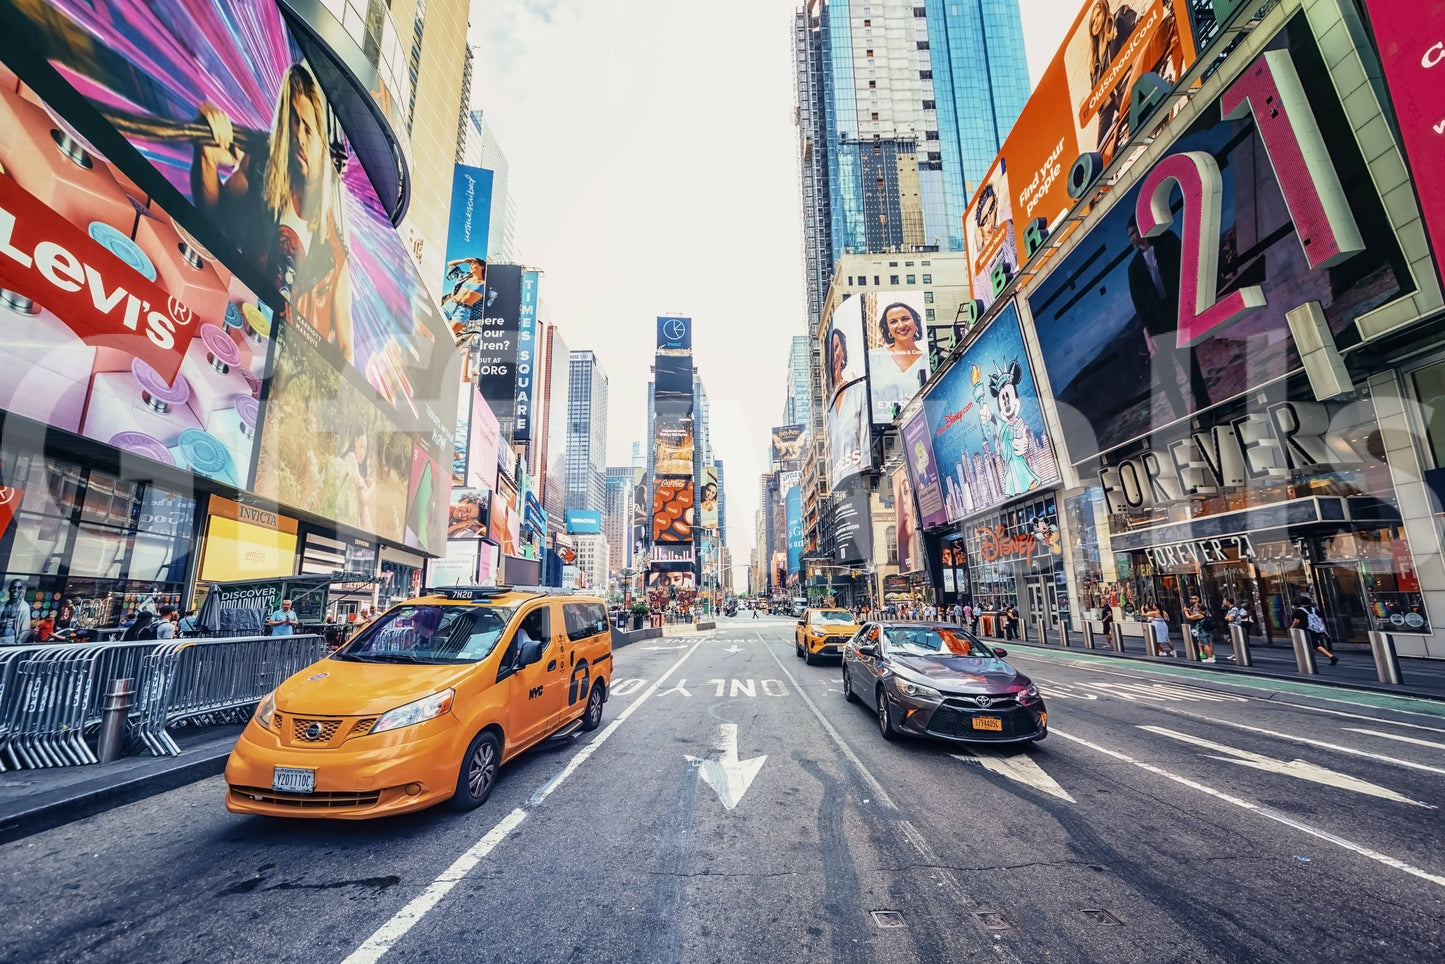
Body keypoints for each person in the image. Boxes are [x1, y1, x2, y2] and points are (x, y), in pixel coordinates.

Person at [194, 63, 353, 361]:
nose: (300, 138)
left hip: (287, 370)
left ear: (323, 146)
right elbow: (214, 216)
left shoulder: (335, 252)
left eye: (308, 129)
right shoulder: (259, 174)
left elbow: (345, 348)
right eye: (294, 124)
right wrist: (206, 158)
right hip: (236, 336)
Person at [1126, 216, 1209, 422]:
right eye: (1130, 236)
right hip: (1157, 329)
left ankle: (1208, 414)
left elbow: (1188, 265)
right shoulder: (1133, 269)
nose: (1132, 239)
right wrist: (1148, 338)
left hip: (1178, 317)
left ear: (1142, 228)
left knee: (1192, 368)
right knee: (1168, 379)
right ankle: (1183, 421)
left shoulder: (1167, 240)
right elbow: (1140, 308)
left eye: (1134, 233)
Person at [976, 360, 1042, 497]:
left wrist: (1022, 444)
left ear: (1017, 400)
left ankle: (1028, 484)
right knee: (1011, 477)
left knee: (1021, 470)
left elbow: (1023, 439)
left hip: (1018, 460)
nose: (1007, 406)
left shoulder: (1019, 423)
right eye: (1003, 401)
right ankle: (1012, 491)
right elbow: (992, 418)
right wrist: (985, 412)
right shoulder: (1003, 425)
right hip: (1009, 464)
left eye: (1009, 399)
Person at [825, 325, 871, 483]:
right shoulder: (830, 409)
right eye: (830, 354)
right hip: (840, 484)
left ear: (843, 350)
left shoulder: (859, 391)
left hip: (861, 480)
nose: (834, 357)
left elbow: (866, 443)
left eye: (836, 347)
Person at [868, 302, 929, 420]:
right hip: (884, 427)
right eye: (893, 322)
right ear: (887, 328)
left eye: (905, 319)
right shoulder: (873, 357)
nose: (901, 325)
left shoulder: (929, 360)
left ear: (916, 323)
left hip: (922, 423)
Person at [441, 257, 489, 340]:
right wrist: (463, 261)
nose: (470, 266)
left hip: (463, 310)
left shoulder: (486, 283)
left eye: (473, 264)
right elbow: (450, 264)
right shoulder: (465, 276)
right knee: (433, 323)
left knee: (446, 335)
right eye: (470, 264)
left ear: (482, 266)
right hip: (450, 305)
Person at [339, 430, 376, 533]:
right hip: (343, 517)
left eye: (365, 449)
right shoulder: (351, 457)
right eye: (361, 446)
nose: (363, 452)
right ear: (355, 441)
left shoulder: (352, 463)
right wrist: (372, 487)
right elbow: (363, 500)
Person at [1291, 596, 1338, 666]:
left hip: (1308, 630)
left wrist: (1292, 628)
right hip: (1317, 629)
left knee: (1315, 645)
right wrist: (1324, 630)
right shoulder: (1314, 609)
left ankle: (1331, 657)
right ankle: (1309, 659)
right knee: (1313, 646)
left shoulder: (1299, 611)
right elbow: (1321, 620)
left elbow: (1296, 621)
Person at [0, 579, 31, 646]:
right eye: (13, 588)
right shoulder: (2, 605)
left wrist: (18, 642)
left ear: (21, 590)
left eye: (19, 588)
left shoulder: (24, 607)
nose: (16, 590)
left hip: (11, 639)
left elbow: (26, 629)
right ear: (9, 589)